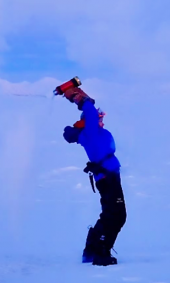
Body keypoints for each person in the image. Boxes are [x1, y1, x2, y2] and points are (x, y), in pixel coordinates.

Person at [56, 82, 126, 267]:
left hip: (106, 176)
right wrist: (80, 98)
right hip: (108, 176)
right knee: (116, 216)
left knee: (110, 214)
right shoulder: (91, 131)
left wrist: (83, 99)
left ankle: (91, 250)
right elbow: (90, 111)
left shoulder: (91, 132)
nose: (102, 119)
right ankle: (101, 252)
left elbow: (92, 114)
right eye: (99, 117)